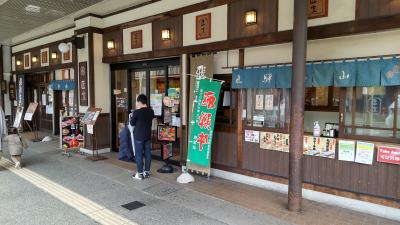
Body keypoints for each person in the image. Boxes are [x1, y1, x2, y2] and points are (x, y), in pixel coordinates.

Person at [130, 94, 154, 180]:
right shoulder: (151, 111)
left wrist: (133, 115)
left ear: (140, 102)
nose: (136, 103)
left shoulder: (137, 112)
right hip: (147, 135)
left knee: (139, 155)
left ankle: (140, 174)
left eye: (137, 102)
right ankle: (146, 172)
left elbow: (132, 123)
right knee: (148, 154)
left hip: (138, 136)